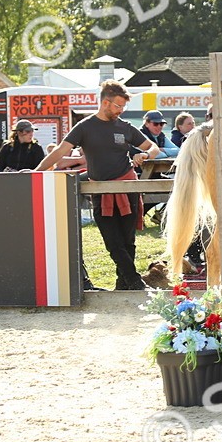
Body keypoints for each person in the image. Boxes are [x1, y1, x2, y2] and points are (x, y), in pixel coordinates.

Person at [36, 80, 159, 291]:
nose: (121, 111)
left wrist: (145, 154)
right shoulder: (84, 127)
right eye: (118, 106)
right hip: (100, 191)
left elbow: (153, 147)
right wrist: (36, 172)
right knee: (112, 242)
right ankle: (136, 283)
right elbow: (59, 151)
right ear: (105, 103)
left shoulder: (125, 127)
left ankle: (124, 284)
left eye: (123, 107)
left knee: (128, 241)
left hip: (127, 186)